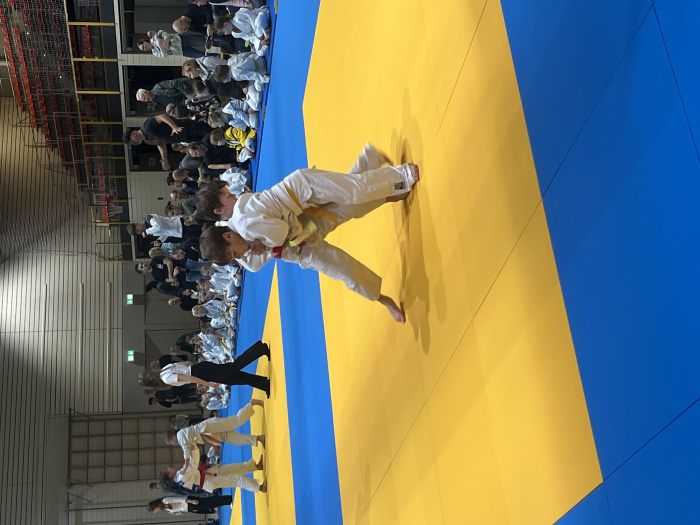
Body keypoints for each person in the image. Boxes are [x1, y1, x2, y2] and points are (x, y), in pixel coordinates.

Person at [197, 144, 419, 322]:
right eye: (235, 256)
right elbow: (253, 265)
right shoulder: (239, 239)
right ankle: (374, 166)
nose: (239, 256)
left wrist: (263, 245)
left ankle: (401, 176)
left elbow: (280, 231)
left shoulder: (243, 220)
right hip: (297, 242)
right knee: (342, 260)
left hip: (302, 191)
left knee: (353, 193)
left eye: (235, 253)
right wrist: (262, 247)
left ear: (228, 236)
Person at [139, 340, 271, 396]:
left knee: (234, 368)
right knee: (233, 378)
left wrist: (207, 384)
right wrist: (200, 380)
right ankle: (264, 383)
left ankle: (259, 348)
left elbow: (188, 377)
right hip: (200, 368)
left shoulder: (166, 378)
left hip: (200, 373)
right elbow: (187, 363)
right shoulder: (165, 369)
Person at [167, 398, 265, 454]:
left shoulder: (181, 436)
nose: (173, 444)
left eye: (172, 442)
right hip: (209, 433)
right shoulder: (183, 439)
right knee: (234, 439)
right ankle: (258, 438)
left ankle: (252, 403)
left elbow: (186, 451)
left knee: (235, 421)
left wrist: (186, 465)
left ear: (173, 437)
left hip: (209, 426)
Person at [138, 30, 205, 58]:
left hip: (180, 40)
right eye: (144, 50)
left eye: (143, 46)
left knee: (202, 42)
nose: (145, 48)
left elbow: (165, 34)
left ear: (144, 42)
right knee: (201, 55)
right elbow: (164, 55)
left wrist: (166, 46)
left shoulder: (154, 37)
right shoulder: (154, 52)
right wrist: (160, 44)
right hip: (181, 51)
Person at [147, 495, 233, 515]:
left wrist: (191, 501)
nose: (155, 512)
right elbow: (179, 509)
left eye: (153, 510)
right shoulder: (165, 508)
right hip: (189, 507)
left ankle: (227, 500)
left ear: (155, 506)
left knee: (209, 502)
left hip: (189, 502)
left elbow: (179, 499)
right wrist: (191, 510)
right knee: (209, 505)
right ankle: (226, 501)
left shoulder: (165, 501)